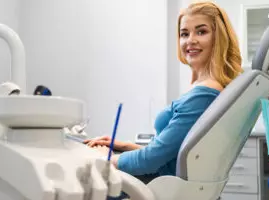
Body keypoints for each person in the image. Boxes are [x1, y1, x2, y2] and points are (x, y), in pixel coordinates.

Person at [84, 0, 242, 192]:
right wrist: (125, 146)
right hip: (160, 178)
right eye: (184, 34)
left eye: (201, 32)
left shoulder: (204, 95)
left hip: (157, 186)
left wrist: (104, 158)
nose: (190, 40)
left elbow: (150, 162)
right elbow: (172, 156)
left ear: (219, 38)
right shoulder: (207, 89)